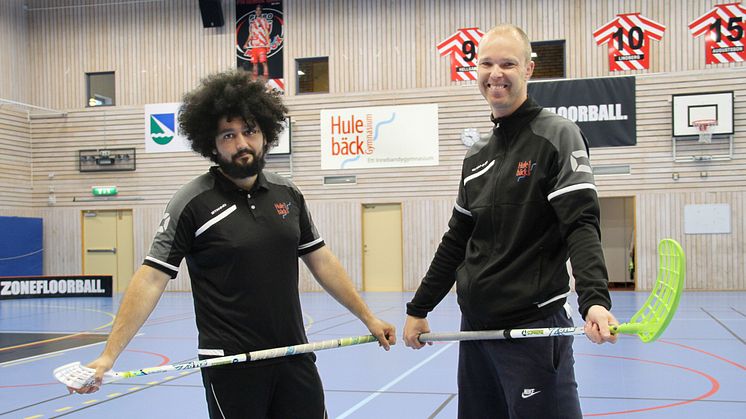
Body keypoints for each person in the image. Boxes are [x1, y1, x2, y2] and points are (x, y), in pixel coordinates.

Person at [69, 70, 396, 418]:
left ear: (266, 135)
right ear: (211, 144)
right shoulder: (192, 202)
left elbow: (321, 260)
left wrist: (368, 317)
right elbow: (151, 278)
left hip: (293, 355)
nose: (242, 143)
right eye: (229, 135)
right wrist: (108, 356)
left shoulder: (288, 194)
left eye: (250, 131)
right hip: (230, 365)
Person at [402, 24, 618, 419]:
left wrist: (595, 301)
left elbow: (580, 224)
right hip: (477, 330)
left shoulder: (558, 135)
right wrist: (419, 308)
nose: (495, 73)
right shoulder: (477, 155)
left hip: (531, 329)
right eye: (486, 63)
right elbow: (457, 241)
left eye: (508, 63)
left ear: (529, 70)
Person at [243, 4, 270, 81]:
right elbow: (250, 34)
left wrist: (268, 43)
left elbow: (266, 32)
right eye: (256, 10)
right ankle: (254, 79)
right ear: (255, 11)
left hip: (262, 45)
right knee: (254, 63)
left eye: (259, 10)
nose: (258, 11)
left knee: (263, 62)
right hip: (254, 46)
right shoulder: (252, 23)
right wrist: (246, 43)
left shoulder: (264, 21)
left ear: (261, 11)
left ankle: (265, 79)